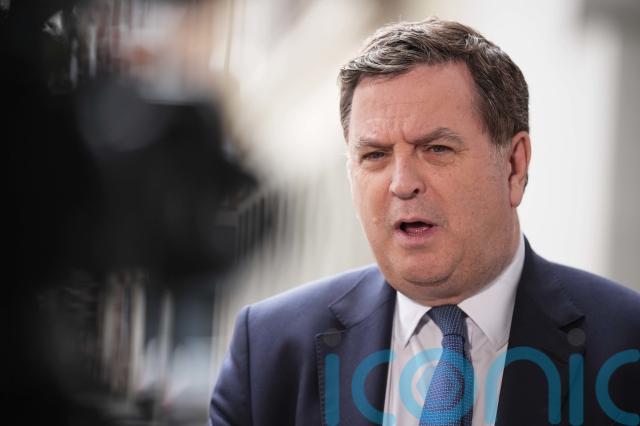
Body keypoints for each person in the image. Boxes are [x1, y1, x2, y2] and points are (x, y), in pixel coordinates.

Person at [209, 18, 640, 426]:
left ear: (514, 166)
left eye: (436, 149)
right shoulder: (268, 351)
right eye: (375, 155)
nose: (402, 184)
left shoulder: (626, 343)